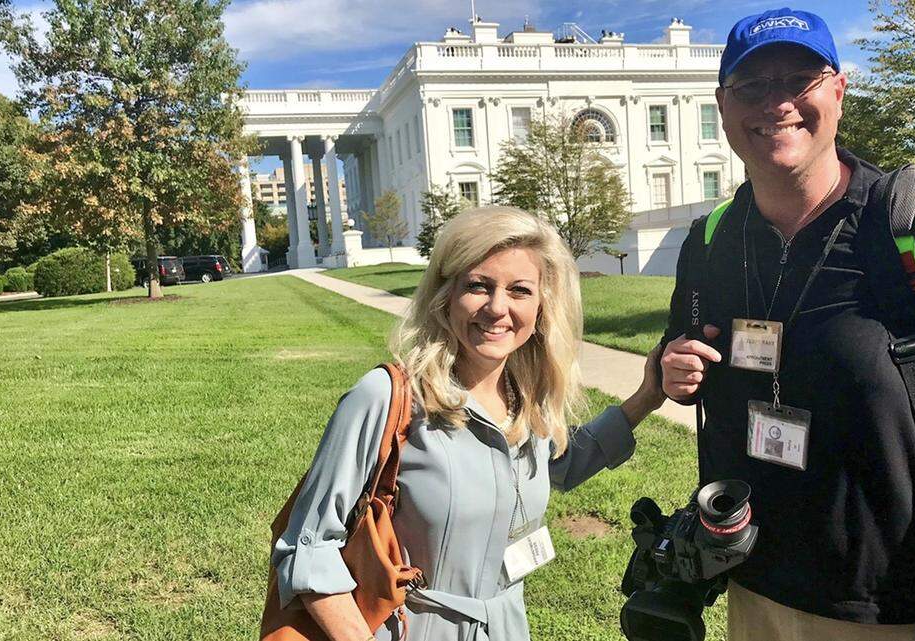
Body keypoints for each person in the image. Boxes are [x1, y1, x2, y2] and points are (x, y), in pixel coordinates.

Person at [658, 8, 915, 641]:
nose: (778, 102)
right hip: (756, 590)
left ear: (839, 91)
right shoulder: (711, 240)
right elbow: (682, 347)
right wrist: (671, 366)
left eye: (800, 80)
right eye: (752, 86)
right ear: (723, 107)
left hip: (904, 608)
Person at [272, 206, 666, 641]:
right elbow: (307, 548)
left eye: (519, 290)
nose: (498, 308)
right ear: (446, 295)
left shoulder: (525, 398)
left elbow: (557, 466)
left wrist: (647, 398)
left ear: (541, 307)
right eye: (478, 286)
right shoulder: (387, 398)